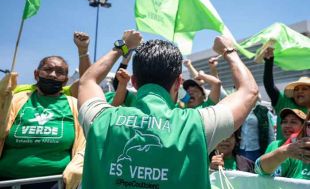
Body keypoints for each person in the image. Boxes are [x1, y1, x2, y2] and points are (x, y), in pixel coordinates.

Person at [78, 31, 258, 188]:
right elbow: (249, 91)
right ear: (178, 83)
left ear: (133, 81)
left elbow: (87, 81)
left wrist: (123, 46)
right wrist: (229, 51)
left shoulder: (100, 119)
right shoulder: (198, 125)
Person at [0, 32, 90, 189]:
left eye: (60, 72)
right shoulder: (17, 99)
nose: (54, 75)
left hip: (56, 183)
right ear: (36, 74)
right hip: (8, 181)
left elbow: (88, 79)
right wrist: (2, 97)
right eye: (48, 69)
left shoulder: (73, 104)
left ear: (66, 80)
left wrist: (83, 51)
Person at [263, 47, 310, 139]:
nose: (299, 91)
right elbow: (269, 85)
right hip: (282, 151)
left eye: (304, 89)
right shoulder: (284, 101)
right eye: (296, 89)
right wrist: (269, 62)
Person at [255, 108, 309, 179]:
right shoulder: (274, 145)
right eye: (284, 122)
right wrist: (284, 151)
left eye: (293, 122)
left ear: (304, 127)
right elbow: (261, 170)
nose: (287, 125)